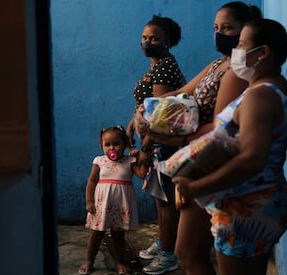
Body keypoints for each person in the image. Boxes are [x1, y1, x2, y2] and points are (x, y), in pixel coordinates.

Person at [135, 2, 263, 274]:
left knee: (190, 252)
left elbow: (220, 129)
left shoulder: (237, 73)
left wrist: (171, 141)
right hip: (195, 159)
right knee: (188, 251)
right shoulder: (219, 64)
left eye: (228, 28)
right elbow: (183, 92)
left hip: (208, 161)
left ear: (246, 32)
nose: (219, 34)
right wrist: (144, 110)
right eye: (216, 27)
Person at [172, 18, 287, 275]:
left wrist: (196, 187)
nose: (236, 52)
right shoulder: (266, 88)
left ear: (262, 53)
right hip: (249, 203)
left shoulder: (261, 96)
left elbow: (251, 159)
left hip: (247, 210)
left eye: (240, 45)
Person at [126, 15, 186, 275]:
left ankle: (170, 254)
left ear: (168, 42)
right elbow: (146, 106)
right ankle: (164, 243)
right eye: (145, 37)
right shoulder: (156, 65)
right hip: (155, 142)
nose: (147, 42)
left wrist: (146, 147)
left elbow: (160, 116)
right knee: (160, 198)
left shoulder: (164, 67)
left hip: (164, 144)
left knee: (168, 200)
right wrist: (131, 124)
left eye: (154, 38)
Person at [78, 125, 149, 275]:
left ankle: (120, 262)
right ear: (101, 146)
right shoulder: (99, 161)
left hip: (120, 207)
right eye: (107, 145)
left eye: (116, 144)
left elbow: (142, 174)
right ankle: (89, 260)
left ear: (125, 145)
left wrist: (143, 158)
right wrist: (89, 201)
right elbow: (91, 182)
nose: (112, 148)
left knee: (118, 235)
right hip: (101, 205)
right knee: (96, 234)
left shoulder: (130, 161)